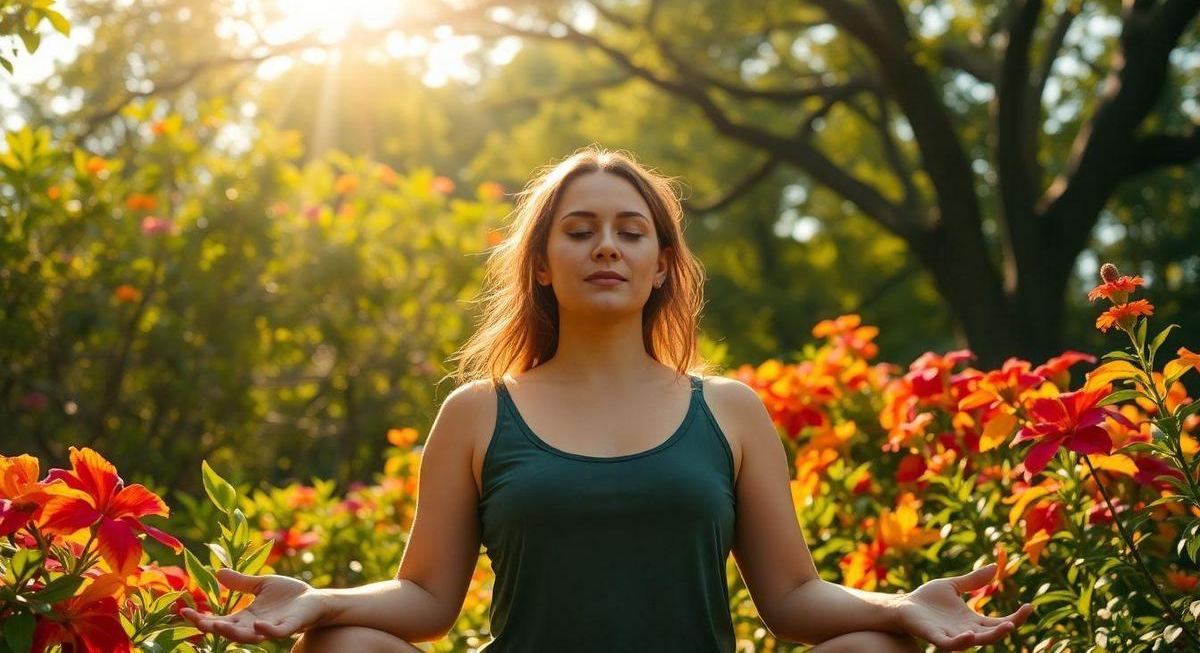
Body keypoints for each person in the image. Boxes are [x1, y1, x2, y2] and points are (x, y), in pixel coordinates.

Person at [181, 147, 1034, 652]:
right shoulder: (479, 413)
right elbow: (427, 598)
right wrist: (320, 601)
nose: (607, 247)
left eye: (631, 231)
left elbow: (793, 597)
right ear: (542, 263)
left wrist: (905, 607)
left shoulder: (729, 409)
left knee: (873, 646)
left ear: (663, 264)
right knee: (344, 645)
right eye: (579, 229)